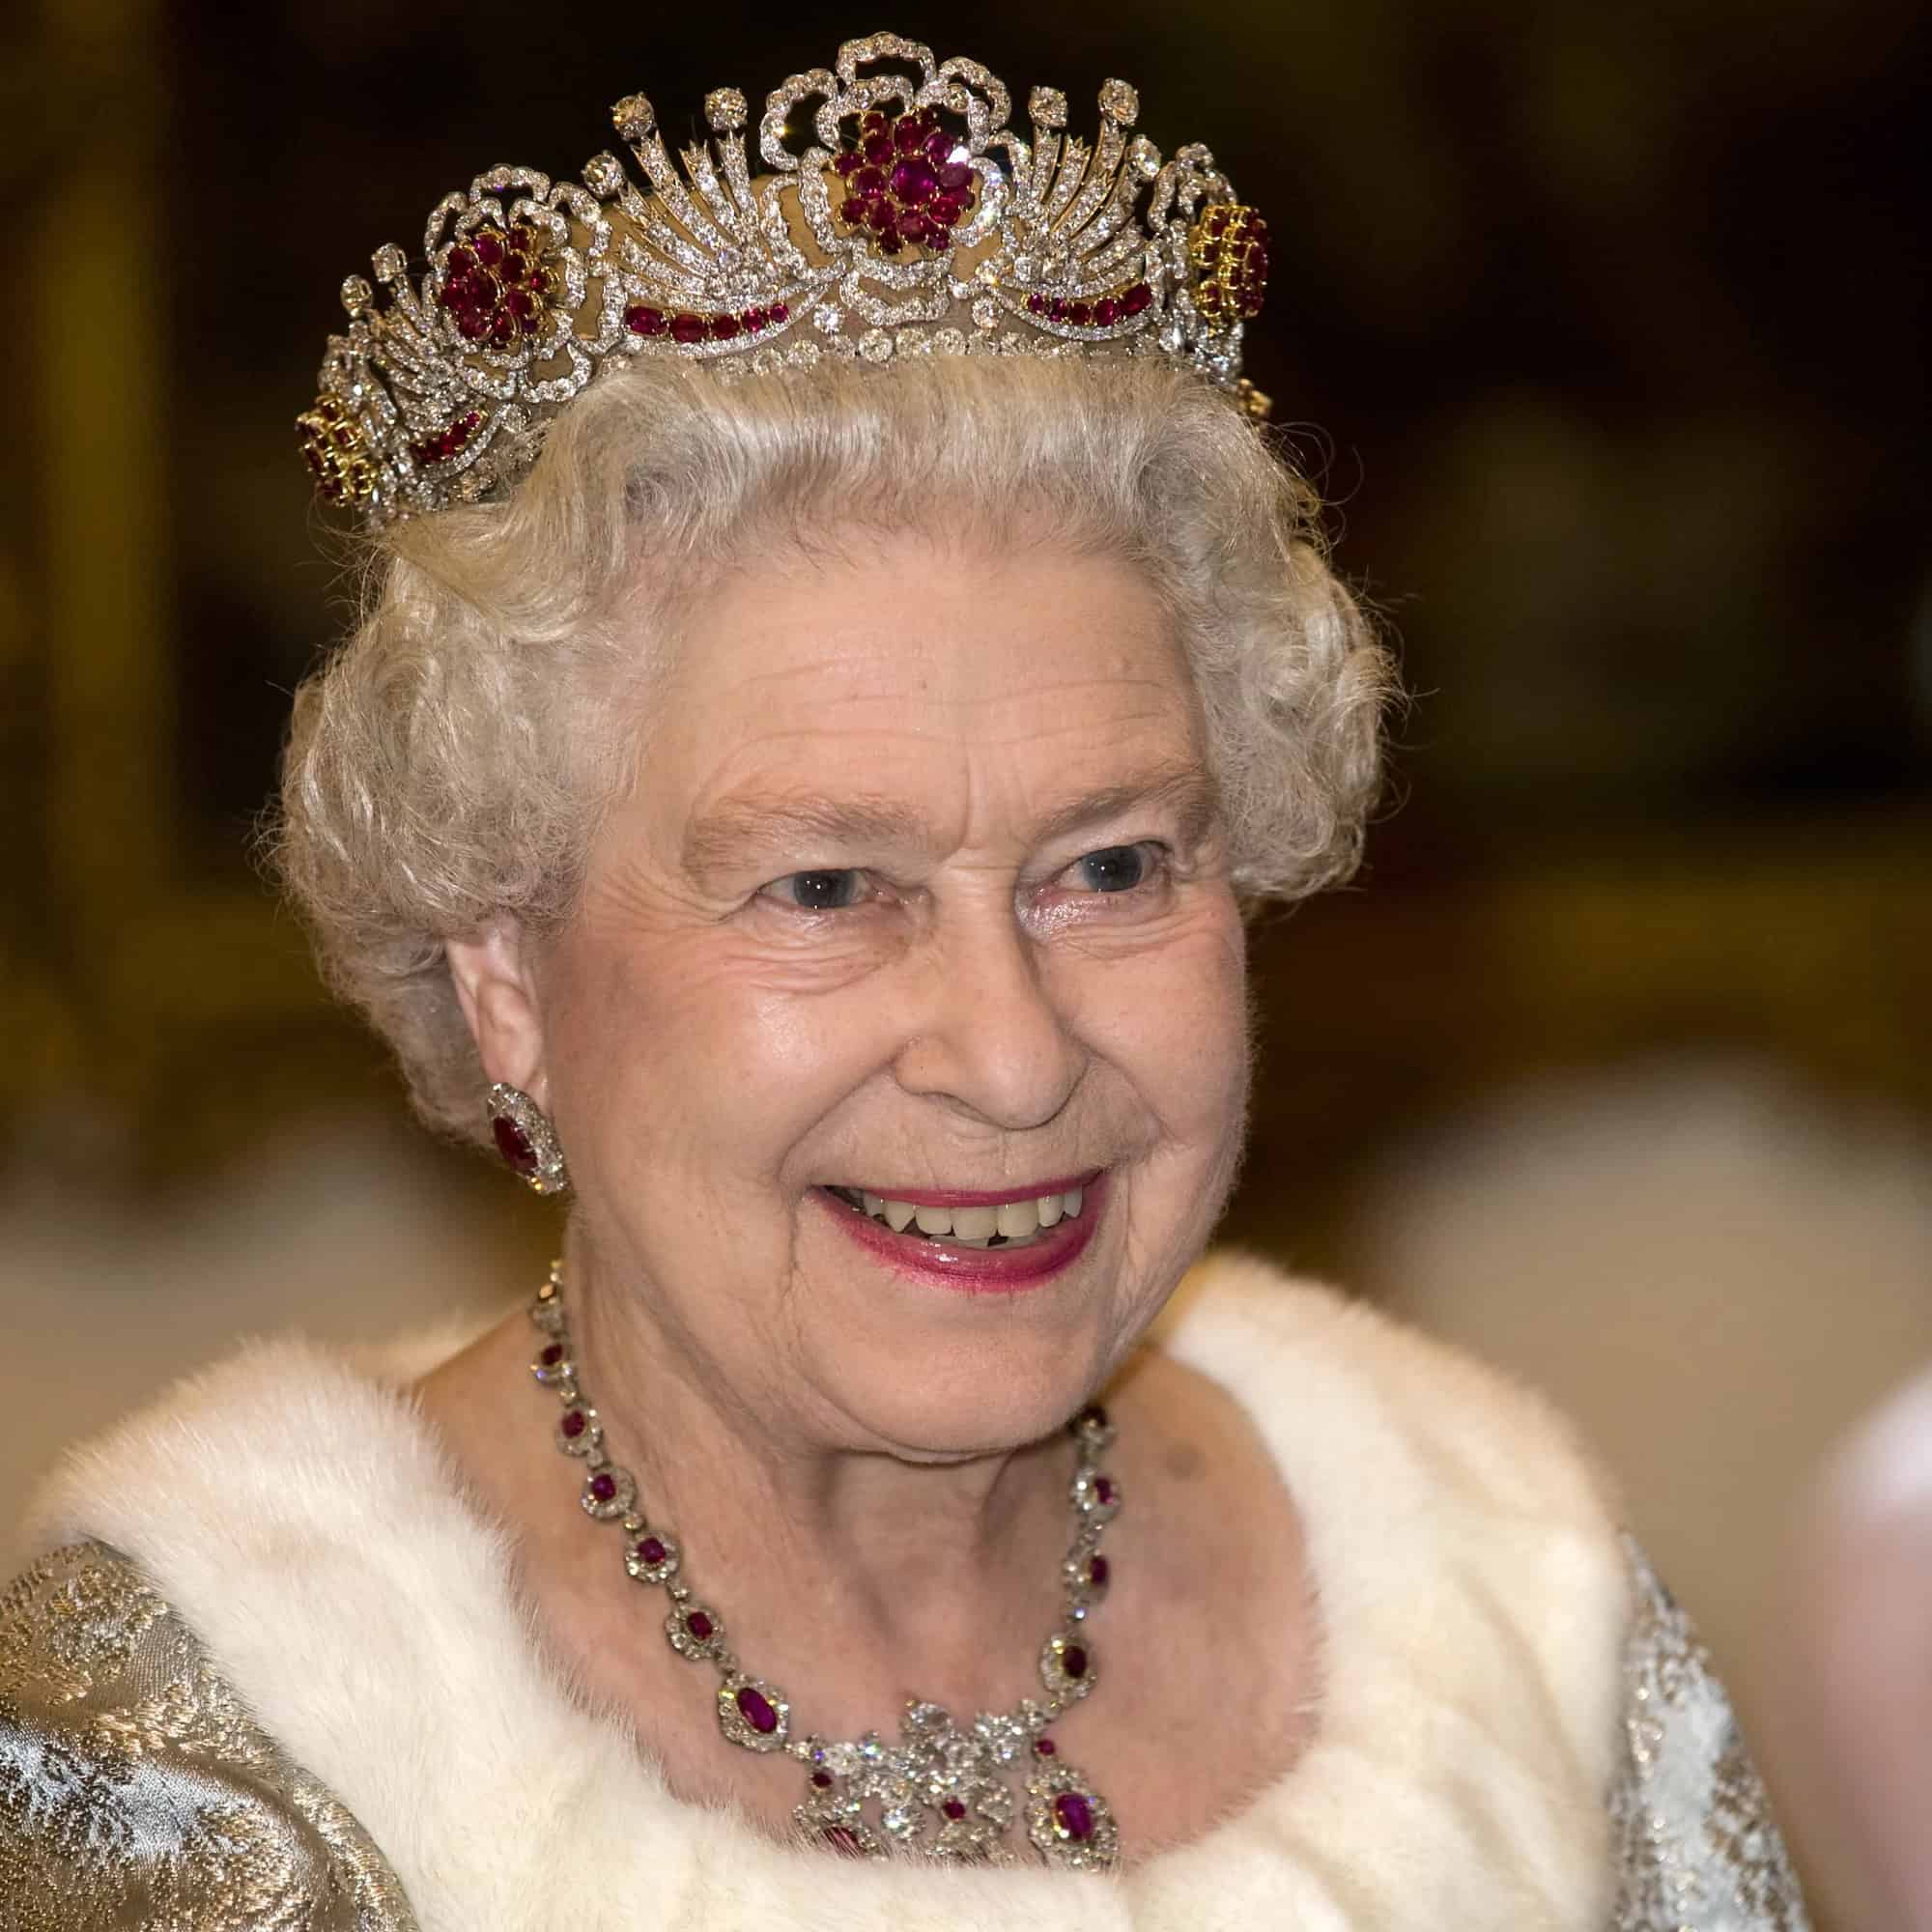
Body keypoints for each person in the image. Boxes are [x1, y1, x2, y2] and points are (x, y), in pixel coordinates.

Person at [0, 34, 1807, 1929]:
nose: (1013, 1059)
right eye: (826, 885)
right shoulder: (230, 1753)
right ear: (508, 971)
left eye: (1110, 866)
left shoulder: (1514, 1623)